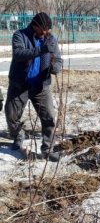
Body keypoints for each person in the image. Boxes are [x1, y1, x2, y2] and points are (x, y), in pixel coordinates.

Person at [5, 12, 63, 161]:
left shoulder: (50, 39)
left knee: (49, 117)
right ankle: (18, 136)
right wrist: (42, 50)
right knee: (11, 115)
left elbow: (58, 59)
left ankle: (47, 148)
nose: (46, 33)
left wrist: (55, 67)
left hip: (41, 85)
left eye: (48, 30)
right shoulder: (20, 35)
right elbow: (19, 54)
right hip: (20, 84)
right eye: (44, 29)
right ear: (35, 26)